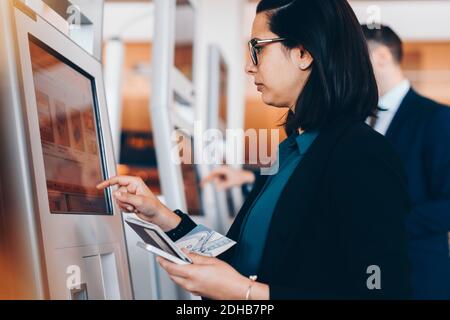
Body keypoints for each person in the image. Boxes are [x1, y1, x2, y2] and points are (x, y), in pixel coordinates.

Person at [98, 0, 412, 300]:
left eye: (257, 48)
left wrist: (245, 294)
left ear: (303, 53)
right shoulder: (289, 151)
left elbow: (382, 293)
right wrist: (164, 217)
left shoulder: (360, 154)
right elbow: (243, 259)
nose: (249, 66)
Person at [362, 24, 450, 300]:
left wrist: (383, 224)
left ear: (382, 57)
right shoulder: (355, 119)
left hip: (418, 275)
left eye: (355, 55)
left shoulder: (437, 118)